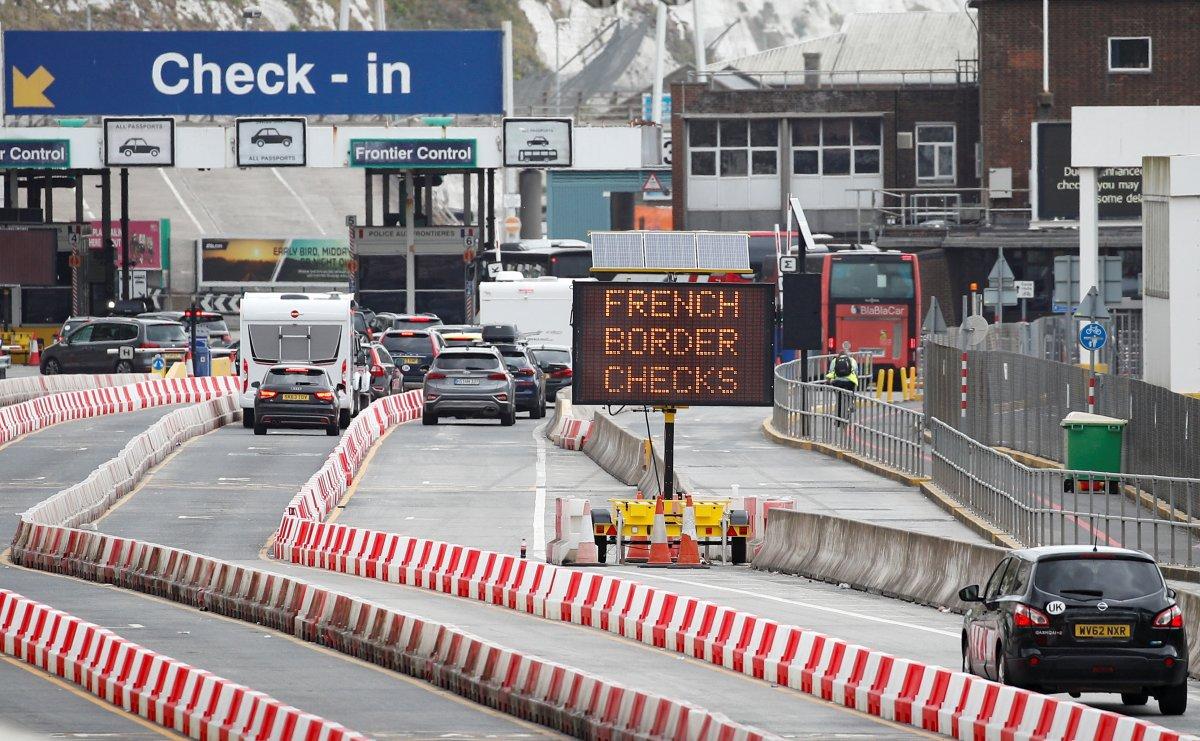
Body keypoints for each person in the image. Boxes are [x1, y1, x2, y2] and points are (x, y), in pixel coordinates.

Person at [824, 343, 859, 423]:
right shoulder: (852, 360)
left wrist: (828, 382)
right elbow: (856, 373)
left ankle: (838, 420)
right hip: (849, 383)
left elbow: (830, 373)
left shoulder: (835, 361)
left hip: (838, 383)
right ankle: (851, 404)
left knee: (839, 399)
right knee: (850, 393)